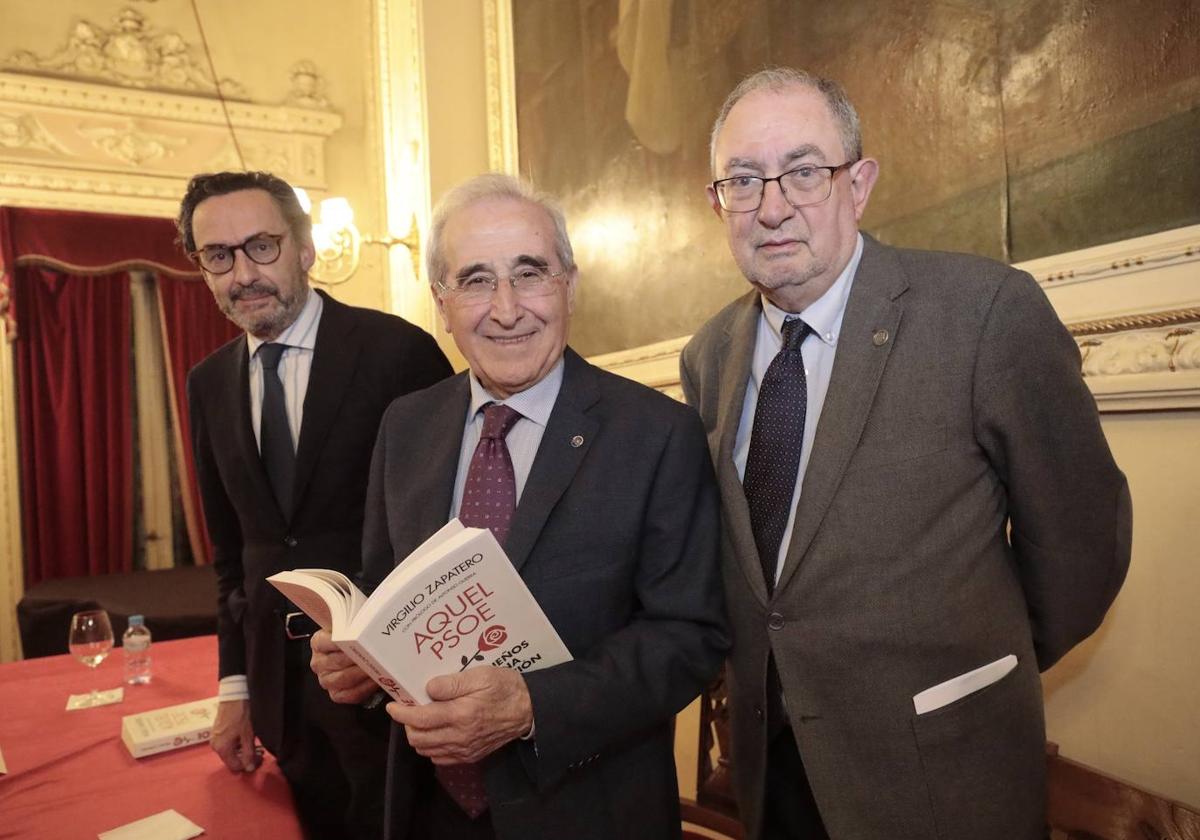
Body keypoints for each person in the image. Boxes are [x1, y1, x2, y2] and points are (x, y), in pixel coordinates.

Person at [680, 68, 1133, 840]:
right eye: (744, 180)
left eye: (803, 172)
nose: (773, 205)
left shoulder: (985, 314)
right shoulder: (708, 354)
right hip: (774, 777)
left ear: (859, 184)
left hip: (941, 775)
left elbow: (1082, 549)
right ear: (719, 203)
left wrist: (983, 666)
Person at [310, 173, 728, 839]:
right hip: (426, 808)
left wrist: (534, 706)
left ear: (568, 282)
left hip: (587, 811)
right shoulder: (405, 426)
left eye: (529, 273)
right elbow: (385, 585)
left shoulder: (655, 433)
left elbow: (690, 637)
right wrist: (358, 652)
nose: (506, 308)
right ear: (441, 302)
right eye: (476, 280)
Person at [179, 170, 452, 839]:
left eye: (261, 246)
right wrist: (236, 690)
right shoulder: (208, 382)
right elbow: (232, 557)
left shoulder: (397, 352)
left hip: (393, 700)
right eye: (219, 256)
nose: (243, 273)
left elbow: (448, 535)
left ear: (304, 247)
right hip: (283, 705)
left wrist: (387, 657)